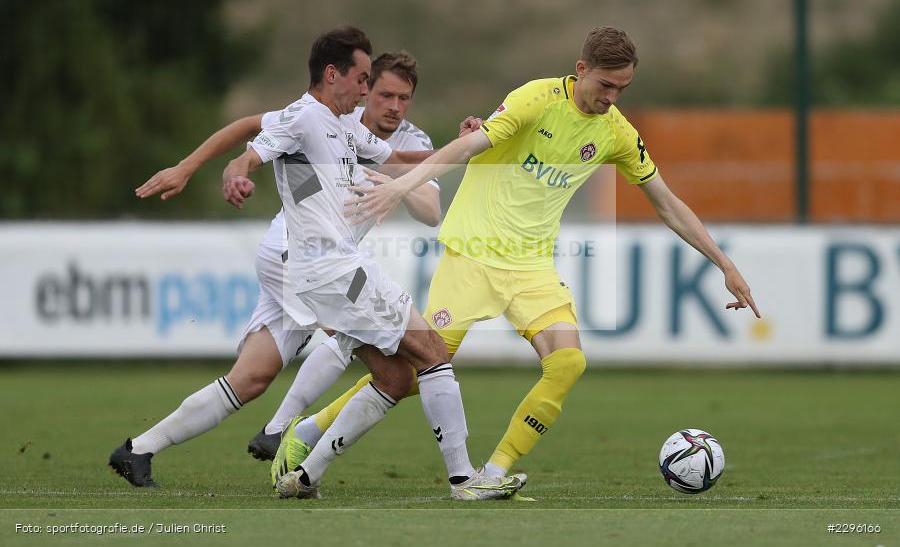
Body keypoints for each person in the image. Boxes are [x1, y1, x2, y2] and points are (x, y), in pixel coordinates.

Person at [290, 26, 761, 485]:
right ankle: (308, 432)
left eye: (622, 88)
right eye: (605, 84)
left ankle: (495, 472)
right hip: (472, 254)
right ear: (581, 69)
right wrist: (401, 186)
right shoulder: (536, 99)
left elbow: (667, 203)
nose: (612, 97)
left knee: (568, 363)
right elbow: (467, 145)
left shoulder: (617, 132)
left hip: (531, 267)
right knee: (416, 371)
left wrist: (725, 265)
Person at [107, 51, 443, 487]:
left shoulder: (410, 141)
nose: (393, 106)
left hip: (312, 261)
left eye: (404, 98)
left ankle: (137, 450)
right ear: (364, 88)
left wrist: (407, 178)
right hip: (300, 255)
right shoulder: (329, 116)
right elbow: (250, 127)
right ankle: (283, 430)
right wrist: (189, 167)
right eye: (382, 93)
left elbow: (431, 211)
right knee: (383, 360)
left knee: (250, 378)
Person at [220, 25, 523, 500]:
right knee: (432, 352)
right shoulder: (303, 117)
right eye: (363, 80)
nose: (366, 91)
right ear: (333, 74)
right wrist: (234, 176)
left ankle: (304, 477)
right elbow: (247, 155)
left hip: (334, 269)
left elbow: (400, 158)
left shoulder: (344, 125)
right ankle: (465, 480)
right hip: (335, 270)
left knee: (396, 377)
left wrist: (472, 146)